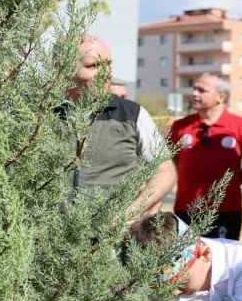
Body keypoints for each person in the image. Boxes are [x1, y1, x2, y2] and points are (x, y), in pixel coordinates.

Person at [67, 36, 176, 216]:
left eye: (108, 64)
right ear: (62, 68)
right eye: (93, 66)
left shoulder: (132, 115)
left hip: (111, 232)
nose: (105, 73)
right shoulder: (38, 116)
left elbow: (165, 171)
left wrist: (129, 214)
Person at [169, 73, 242, 240]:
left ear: (221, 97)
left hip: (226, 208)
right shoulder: (180, 126)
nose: (194, 94)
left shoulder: (241, 126)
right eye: (194, 89)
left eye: (202, 90)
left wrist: (236, 180)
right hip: (186, 207)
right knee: (186, 255)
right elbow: (172, 159)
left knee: (222, 255)